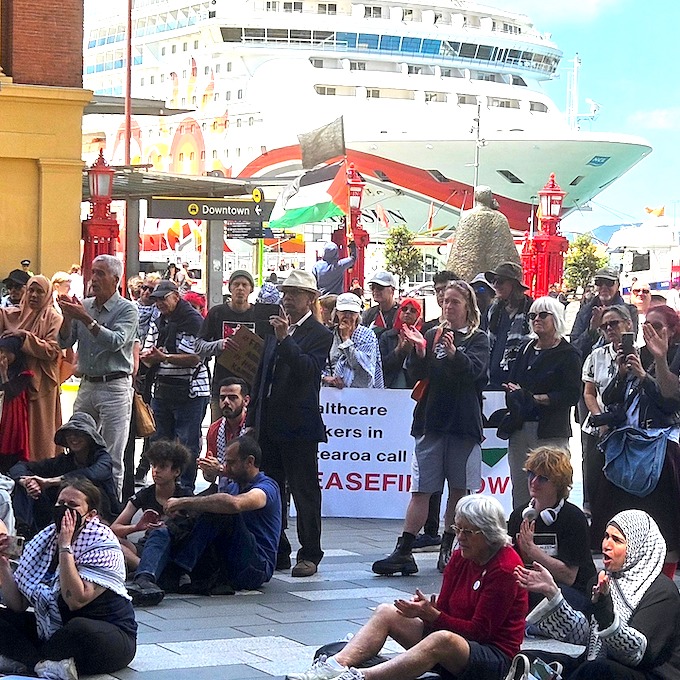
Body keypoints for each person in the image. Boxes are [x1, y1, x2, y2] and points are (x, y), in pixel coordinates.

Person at [288, 495, 528, 680]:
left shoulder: (505, 568)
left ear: (488, 534)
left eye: (468, 532)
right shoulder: (461, 555)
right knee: (386, 612)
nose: (460, 537)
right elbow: (444, 610)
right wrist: (425, 612)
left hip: (493, 656)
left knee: (442, 640)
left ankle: (361, 677)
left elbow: (479, 633)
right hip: (457, 643)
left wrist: (432, 615)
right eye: (457, 529)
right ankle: (334, 667)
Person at [372, 281, 489, 576]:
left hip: (462, 423)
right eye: (445, 301)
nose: (448, 306)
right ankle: (404, 548)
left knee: (459, 490)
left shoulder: (478, 339)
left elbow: (477, 374)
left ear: (468, 307)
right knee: (421, 488)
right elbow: (415, 375)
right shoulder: (432, 334)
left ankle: (452, 546)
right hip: (431, 420)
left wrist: (454, 354)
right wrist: (420, 353)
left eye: (455, 302)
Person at [515, 510, 680, 680]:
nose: (606, 545)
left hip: (648, 673)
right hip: (598, 664)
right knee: (528, 659)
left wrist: (605, 613)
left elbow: (635, 654)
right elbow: (586, 635)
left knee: (597, 670)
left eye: (617, 540)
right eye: (606, 536)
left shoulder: (662, 592)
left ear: (638, 547)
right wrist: (552, 593)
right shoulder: (603, 580)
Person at [0, 478, 137, 678]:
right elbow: (18, 605)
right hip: (53, 630)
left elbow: (75, 599)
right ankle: (39, 665)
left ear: (90, 515)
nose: (64, 510)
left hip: (105, 634)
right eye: (60, 504)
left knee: (78, 628)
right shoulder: (44, 540)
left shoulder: (103, 544)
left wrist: (65, 546)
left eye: (72, 505)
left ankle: (26, 661)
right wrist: (3, 563)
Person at [247, 269, 332, 577]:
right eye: (285, 294)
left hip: (299, 426)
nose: (288, 300)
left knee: (304, 490)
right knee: (271, 489)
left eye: (295, 294)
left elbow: (308, 372)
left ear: (311, 299)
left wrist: (286, 340)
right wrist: (252, 418)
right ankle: (278, 548)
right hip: (269, 424)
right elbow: (262, 376)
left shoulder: (319, 334)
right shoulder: (274, 329)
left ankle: (310, 552)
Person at [127, 435, 281, 604]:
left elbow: (234, 504)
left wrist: (184, 502)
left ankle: (178, 568)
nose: (225, 467)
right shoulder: (233, 485)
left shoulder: (267, 487)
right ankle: (145, 578)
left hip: (255, 567)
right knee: (167, 529)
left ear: (249, 462)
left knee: (219, 506)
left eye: (231, 463)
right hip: (224, 560)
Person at [597, 304, 680, 578]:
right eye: (648, 325)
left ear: (673, 329)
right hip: (630, 447)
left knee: (664, 524)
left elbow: (670, 400)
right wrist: (622, 374)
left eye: (658, 327)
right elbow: (609, 398)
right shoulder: (637, 353)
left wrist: (653, 368)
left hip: (661, 453)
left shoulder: (674, 354)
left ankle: (663, 585)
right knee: (626, 520)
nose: (651, 332)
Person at [58, 254, 138, 496]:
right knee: (78, 448)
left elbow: (115, 342)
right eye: (92, 272)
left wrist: (85, 318)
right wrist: (68, 317)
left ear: (116, 279)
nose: (93, 278)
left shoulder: (128, 309)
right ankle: (78, 503)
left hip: (114, 387)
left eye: (100, 273)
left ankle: (112, 512)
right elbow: (65, 340)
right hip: (87, 385)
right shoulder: (85, 304)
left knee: (112, 455)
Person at [500, 296, 581, 509]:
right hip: (520, 428)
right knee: (521, 488)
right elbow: (512, 381)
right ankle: (521, 532)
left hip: (551, 431)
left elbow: (571, 395)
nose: (537, 319)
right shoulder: (526, 348)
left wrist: (533, 398)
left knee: (553, 486)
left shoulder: (568, 353)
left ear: (556, 318)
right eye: (533, 315)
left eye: (543, 315)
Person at [507, 447, 595, 613]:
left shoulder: (574, 518)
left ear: (558, 483)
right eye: (531, 474)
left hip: (569, 592)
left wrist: (532, 551)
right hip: (531, 587)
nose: (533, 482)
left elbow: (568, 577)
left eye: (542, 478)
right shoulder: (518, 516)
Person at [142, 280, 210, 492]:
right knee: (159, 443)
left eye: (164, 298)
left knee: (187, 444)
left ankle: (185, 489)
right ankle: (161, 488)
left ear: (176, 297)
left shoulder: (194, 321)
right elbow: (148, 350)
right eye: (157, 299)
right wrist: (149, 357)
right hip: (162, 389)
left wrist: (165, 357)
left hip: (191, 391)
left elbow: (196, 357)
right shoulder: (158, 321)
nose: (160, 303)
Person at [10, 412, 122, 535]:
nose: (73, 438)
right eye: (70, 434)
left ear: (89, 437)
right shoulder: (63, 461)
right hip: (61, 514)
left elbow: (93, 474)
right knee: (26, 486)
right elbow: (20, 466)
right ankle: (23, 530)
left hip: (98, 513)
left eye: (79, 434)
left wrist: (52, 482)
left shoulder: (103, 458)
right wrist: (27, 482)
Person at [582, 304, 636, 546]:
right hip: (598, 426)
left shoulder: (642, 354)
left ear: (628, 325)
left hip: (631, 428)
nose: (609, 329)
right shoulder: (596, 356)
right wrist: (599, 417)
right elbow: (589, 393)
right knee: (594, 481)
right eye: (604, 326)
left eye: (614, 323)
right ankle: (598, 534)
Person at [196, 269, 279, 423]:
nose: (240, 288)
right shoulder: (217, 313)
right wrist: (220, 345)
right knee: (217, 431)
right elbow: (199, 346)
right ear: (230, 288)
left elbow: (270, 350)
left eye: (244, 285)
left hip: (250, 389)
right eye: (236, 284)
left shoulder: (260, 315)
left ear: (251, 289)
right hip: (221, 387)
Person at [0, 275, 63, 462]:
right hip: (17, 387)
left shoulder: (53, 317)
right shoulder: (15, 314)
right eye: (31, 290)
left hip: (41, 385)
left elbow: (52, 350)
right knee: (17, 433)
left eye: (39, 291)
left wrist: (25, 336)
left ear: (48, 294)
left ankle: (40, 470)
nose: (34, 295)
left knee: (40, 434)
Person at [111, 440, 191, 571]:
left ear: (176, 472)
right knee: (111, 542)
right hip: (146, 546)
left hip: (173, 547)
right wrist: (136, 527)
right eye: (154, 465)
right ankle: (144, 567)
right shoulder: (145, 494)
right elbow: (114, 529)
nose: (156, 471)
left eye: (162, 466)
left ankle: (145, 569)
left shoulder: (185, 496)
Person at [484, 262, 533, 390]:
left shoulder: (531, 310)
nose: (495, 285)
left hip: (518, 382)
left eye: (500, 281)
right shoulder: (493, 310)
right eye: (493, 281)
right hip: (491, 381)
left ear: (514, 284)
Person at [323, 293, 384, 389]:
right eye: (344, 312)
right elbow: (318, 364)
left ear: (358, 315)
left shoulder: (367, 335)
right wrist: (326, 378)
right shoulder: (328, 335)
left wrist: (346, 339)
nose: (347, 316)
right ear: (336, 313)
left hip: (360, 395)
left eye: (352, 313)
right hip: (331, 395)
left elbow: (363, 367)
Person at [200, 377, 250, 487]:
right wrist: (208, 470)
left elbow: (254, 471)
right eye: (222, 398)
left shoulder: (253, 427)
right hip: (224, 488)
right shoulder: (214, 429)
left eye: (232, 398)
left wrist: (221, 469)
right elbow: (210, 478)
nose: (226, 402)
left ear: (246, 401)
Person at [0, 335, 33, 473]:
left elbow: (11, 392)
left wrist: (4, 374)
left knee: (9, 452)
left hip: (12, 419)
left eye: (7, 351)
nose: (3, 355)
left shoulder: (24, 374)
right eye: (1, 351)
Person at [379, 298, 423, 389]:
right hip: (390, 387)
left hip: (413, 388)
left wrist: (417, 350)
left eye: (413, 310)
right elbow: (380, 366)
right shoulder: (386, 336)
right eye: (404, 309)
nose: (407, 312)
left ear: (418, 315)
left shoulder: (422, 338)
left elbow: (424, 368)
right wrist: (398, 351)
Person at [361, 271, 399, 338]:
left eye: (380, 287)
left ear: (392, 290)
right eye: (372, 287)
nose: (375, 290)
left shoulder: (402, 313)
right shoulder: (368, 314)